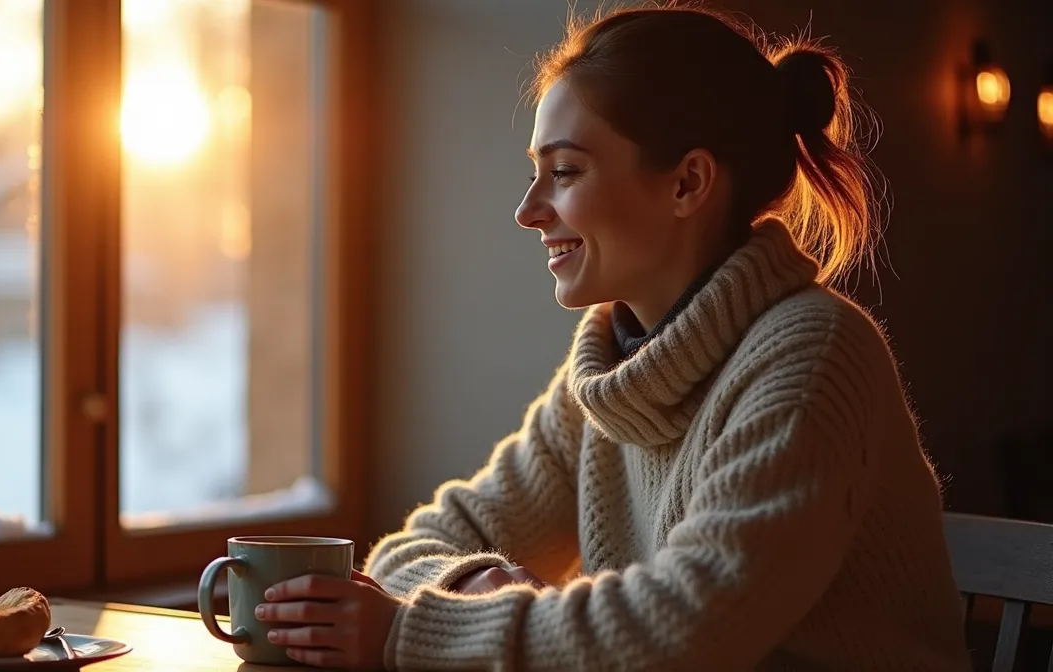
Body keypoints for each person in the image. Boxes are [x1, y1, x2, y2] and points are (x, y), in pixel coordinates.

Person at [252, 5, 973, 670]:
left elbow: (684, 631)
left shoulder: (814, 356)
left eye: (564, 172)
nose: (528, 212)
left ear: (688, 183)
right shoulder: (611, 370)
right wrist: (479, 578)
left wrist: (410, 632)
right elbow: (412, 549)